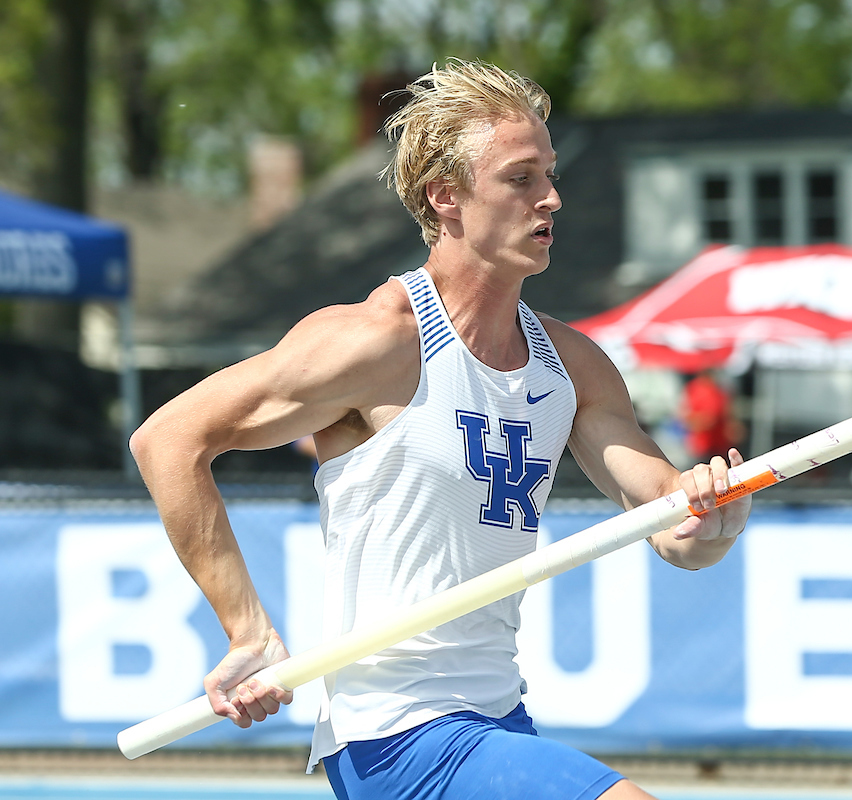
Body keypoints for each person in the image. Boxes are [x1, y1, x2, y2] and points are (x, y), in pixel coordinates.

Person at [129, 59, 750, 800]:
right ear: (446, 195)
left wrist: (716, 518)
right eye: (521, 179)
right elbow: (167, 440)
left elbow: (672, 529)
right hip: (396, 736)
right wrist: (247, 631)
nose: (551, 198)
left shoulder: (573, 366)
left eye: (549, 175)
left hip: (499, 720)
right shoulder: (376, 341)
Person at [679, 369, 744, 462]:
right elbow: (685, 414)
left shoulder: (718, 390)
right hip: (703, 445)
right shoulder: (695, 388)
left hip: (719, 444)